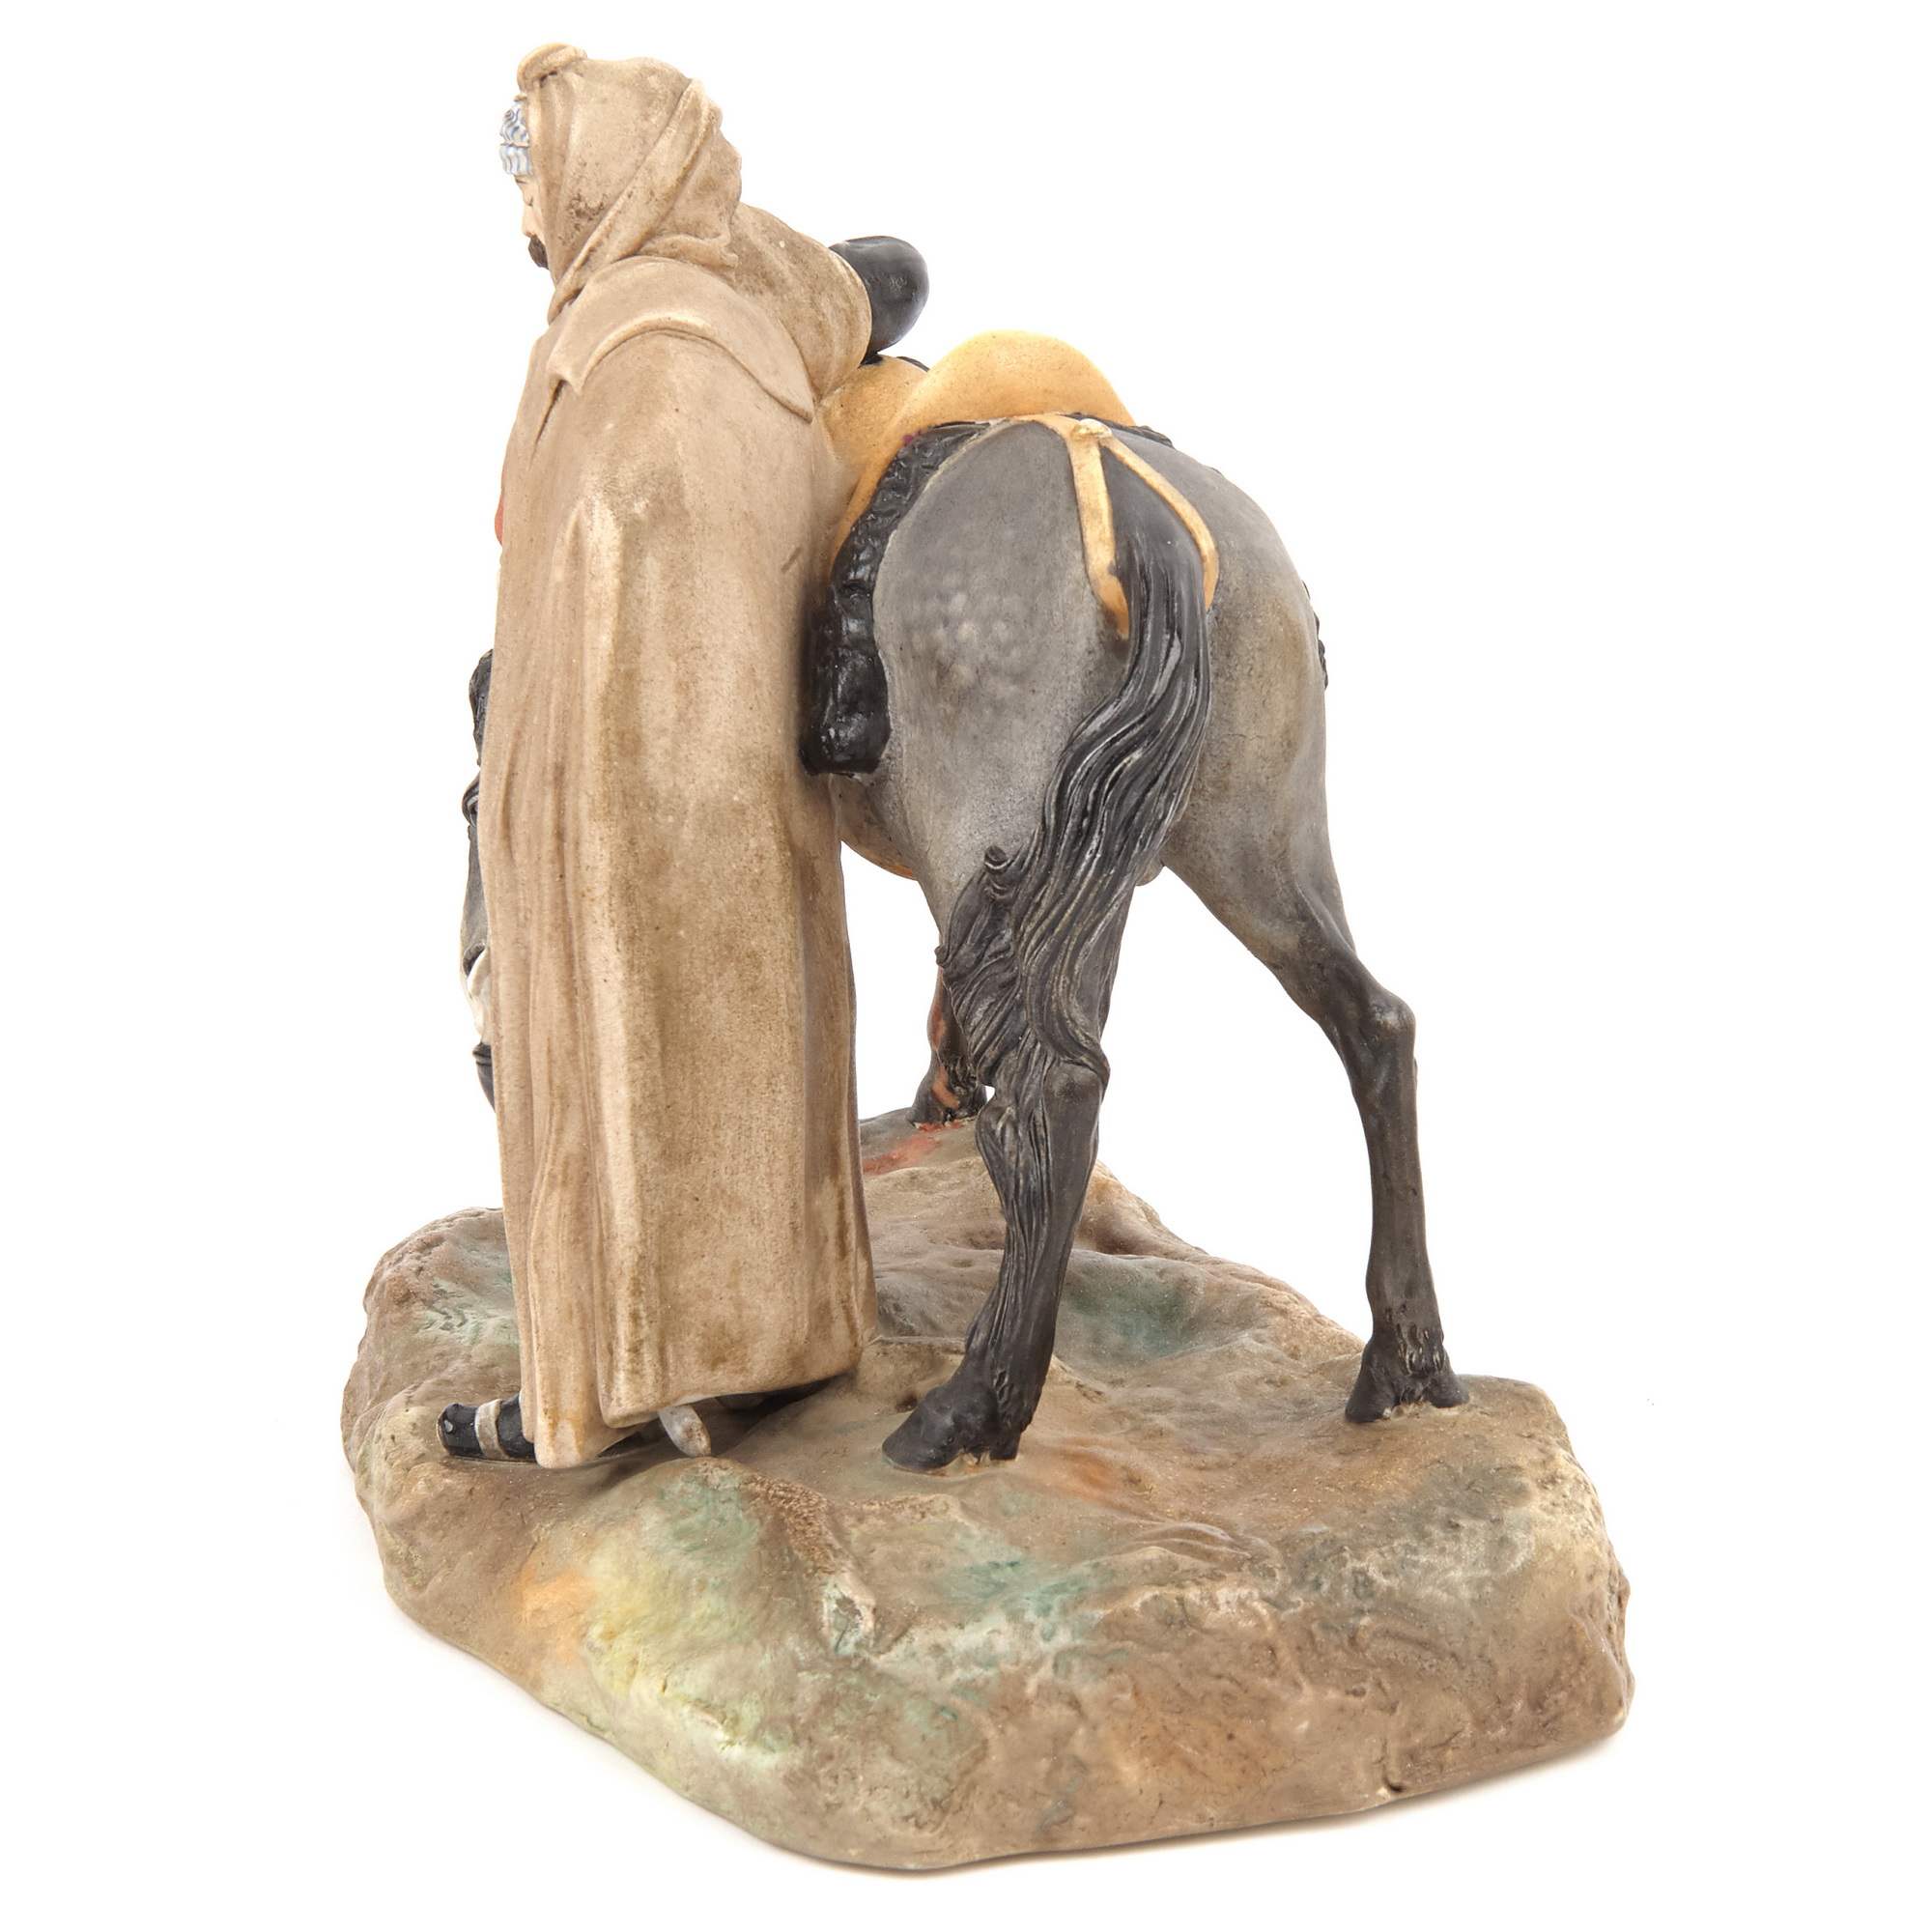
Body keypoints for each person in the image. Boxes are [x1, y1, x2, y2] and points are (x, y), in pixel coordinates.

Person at [443, 45, 877, 1466]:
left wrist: (539, 810)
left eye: (539, 182)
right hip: (750, 817)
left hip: (625, 818)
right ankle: (768, 1337)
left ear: (600, 185)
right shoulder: (753, 339)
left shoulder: (624, 356)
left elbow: (584, 603)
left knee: (625, 1060)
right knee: (755, 1052)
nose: (526, 215)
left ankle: (626, 1371)